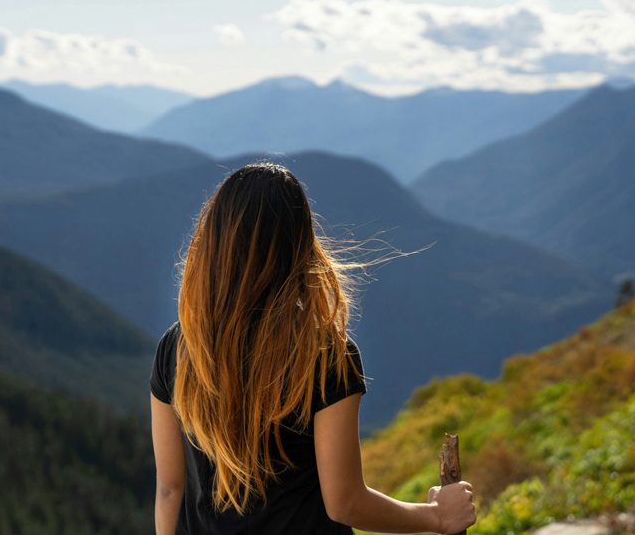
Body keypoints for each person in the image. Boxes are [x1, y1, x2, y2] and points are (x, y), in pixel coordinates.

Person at [149, 162, 477, 534]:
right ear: (300, 246)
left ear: (213, 243)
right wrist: (436, 515)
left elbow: (169, 488)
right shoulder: (323, 356)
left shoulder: (176, 349)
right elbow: (344, 502)